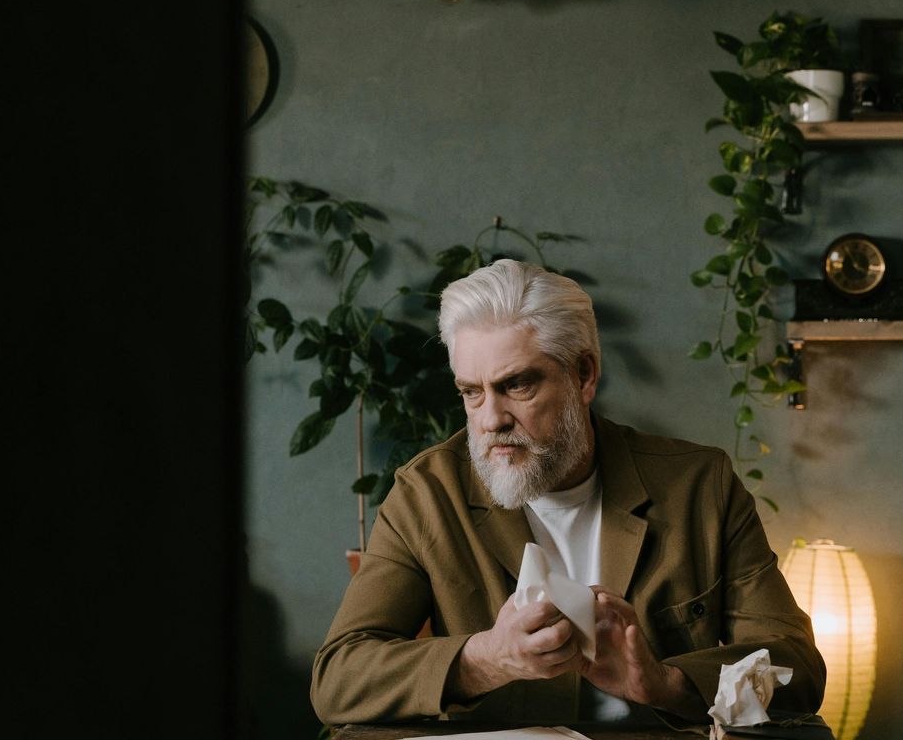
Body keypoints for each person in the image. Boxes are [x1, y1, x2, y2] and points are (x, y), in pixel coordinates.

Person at [311, 259, 825, 726]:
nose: (490, 419)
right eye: (471, 392)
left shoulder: (699, 484)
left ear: (584, 374)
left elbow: (796, 666)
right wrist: (485, 659)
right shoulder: (425, 494)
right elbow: (338, 679)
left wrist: (665, 683)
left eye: (517, 385)